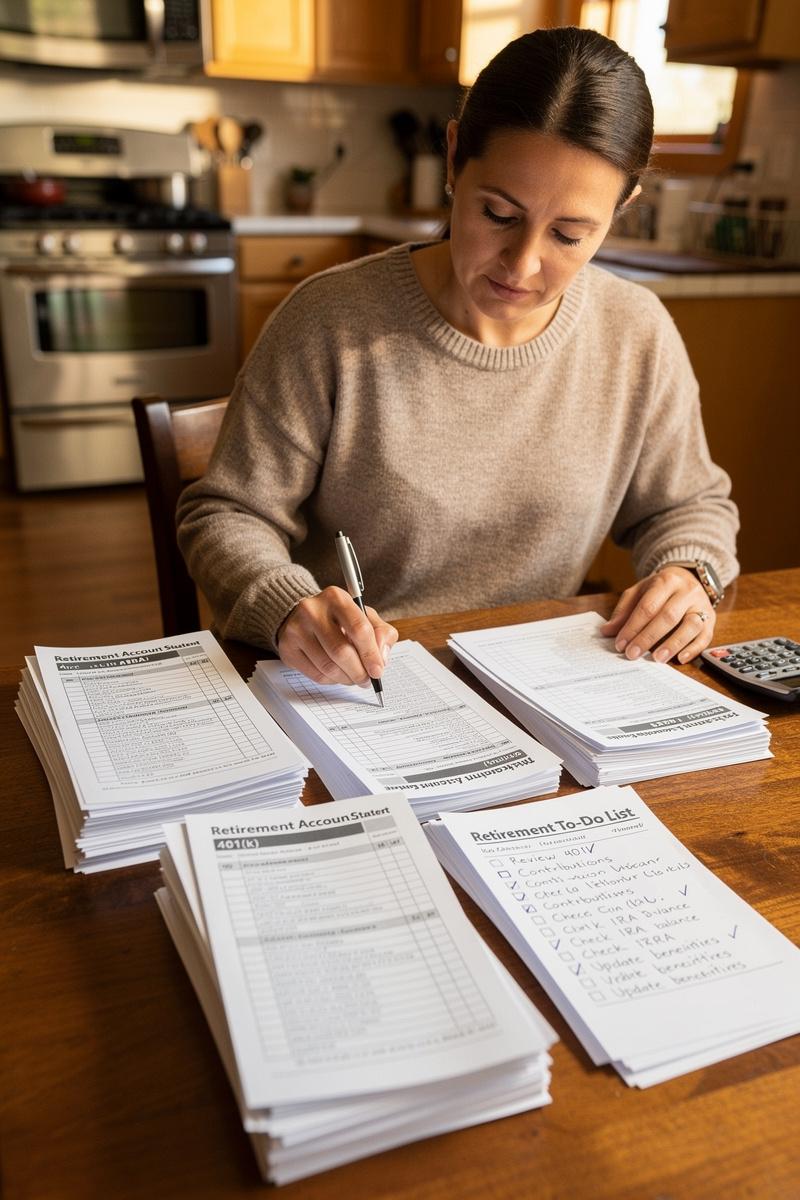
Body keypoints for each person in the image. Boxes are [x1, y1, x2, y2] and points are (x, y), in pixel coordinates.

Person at [177, 26, 738, 691]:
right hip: (352, 690)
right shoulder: (332, 321)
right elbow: (227, 514)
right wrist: (284, 604)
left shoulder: (635, 332)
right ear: (451, 160)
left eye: (568, 234)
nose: (524, 263)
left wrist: (688, 572)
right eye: (498, 213)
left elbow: (691, 506)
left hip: (539, 687)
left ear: (622, 210)